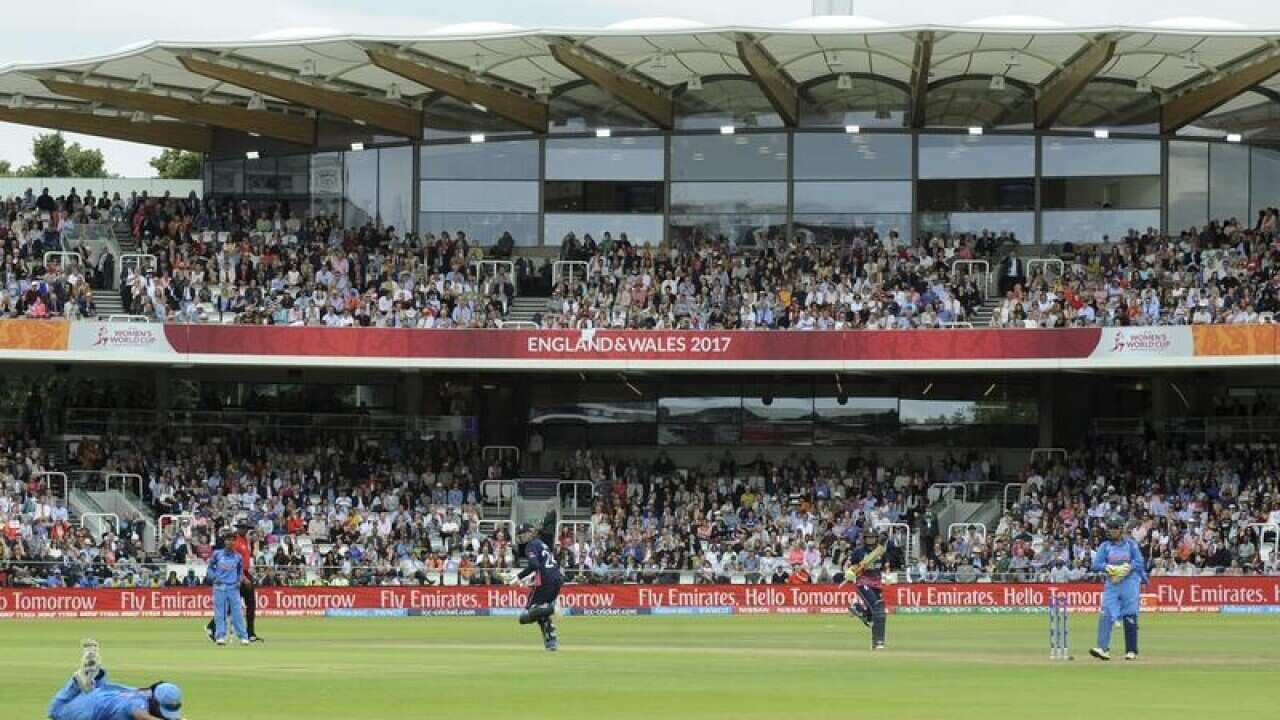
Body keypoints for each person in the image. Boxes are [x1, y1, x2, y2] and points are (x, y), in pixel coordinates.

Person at [47, 639, 184, 720]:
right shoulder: (137, 704)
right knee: (55, 711)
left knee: (99, 690)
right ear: (155, 702)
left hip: (99, 694)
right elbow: (140, 714)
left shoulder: (149, 693)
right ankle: (83, 678)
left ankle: (93, 674)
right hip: (79, 711)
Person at [1089, 514, 1149, 661]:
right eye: (1109, 528)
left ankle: (1131, 650)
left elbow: (1140, 562)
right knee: (1106, 613)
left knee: (1130, 614)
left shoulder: (1130, 545)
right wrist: (1108, 568)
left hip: (1129, 582)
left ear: (1121, 529)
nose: (1111, 531)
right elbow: (1096, 565)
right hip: (1113, 583)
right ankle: (1103, 649)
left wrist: (1128, 568)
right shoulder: (1105, 546)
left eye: (1114, 528)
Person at [513, 517, 563, 651]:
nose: (521, 537)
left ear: (530, 533)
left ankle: (552, 608)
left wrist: (518, 577)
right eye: (519, 535)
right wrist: (533, 579)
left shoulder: (531, 545)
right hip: (556, 579)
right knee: (540, 613)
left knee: (525, 616)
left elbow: (534, 565)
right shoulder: (541, 543)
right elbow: (543, 565)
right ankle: (551, 641)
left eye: (523, 534)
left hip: (546, 582)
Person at [206, 521, 261, 642]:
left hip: (244, 573)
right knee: (233, 607)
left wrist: (249, 571)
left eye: (246, 528)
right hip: (237, 577)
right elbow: (232, 562)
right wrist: (242, 577)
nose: (245, 530)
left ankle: (249, 633)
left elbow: (244, 560)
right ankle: (215, 628)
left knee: (249, 604)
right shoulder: (235, 542)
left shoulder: (245, 540)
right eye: (243, 528)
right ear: (238, 529)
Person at [840, 527, 892, 650]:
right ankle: (879, 642)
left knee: (873, 615)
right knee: (878, 608)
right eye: (868, 538)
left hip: (877, 583)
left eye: (873, 538)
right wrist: (849, 572)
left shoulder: (880, 551)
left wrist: (888, 574)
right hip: (862, 582)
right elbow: (850, 566)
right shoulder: (858, 552)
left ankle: (858, 608)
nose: (870, 540)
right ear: (864, 539)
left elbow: (886, 566)